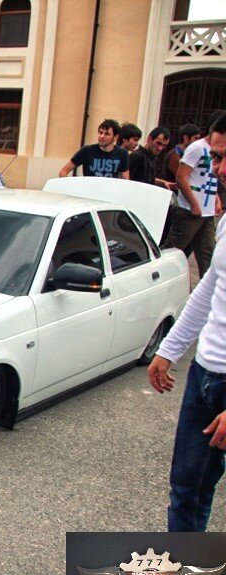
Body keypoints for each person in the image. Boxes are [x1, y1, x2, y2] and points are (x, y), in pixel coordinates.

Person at [148, 111, 226, 532]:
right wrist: (169, 350)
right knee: (187, 489)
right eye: (215, 157)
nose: (218, 169)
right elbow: (208, 291)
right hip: (205, 376)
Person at [164, 110, 225, 279]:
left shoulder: (216, 149)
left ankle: (210, 293)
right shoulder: (197, 148)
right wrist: (194, 204)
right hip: (189, 210)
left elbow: (208, 177)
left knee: (208, 255)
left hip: (207, 212)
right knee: (174, 251)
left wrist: (216, 199)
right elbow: (181, 176)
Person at [59, 119, 129, 179]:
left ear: (115, 137)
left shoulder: (122, 153)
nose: (101, 136)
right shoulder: (87, 150)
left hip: (109, 193)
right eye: (100, 132)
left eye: (107, 134)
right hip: (89, 192)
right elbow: (63, 171)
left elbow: (125, 180)